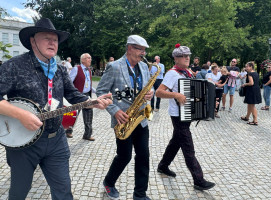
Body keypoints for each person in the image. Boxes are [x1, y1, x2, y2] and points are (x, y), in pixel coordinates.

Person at [0, 18, 112, 200]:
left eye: (55, 39)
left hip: (56, 140)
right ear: (33, 41)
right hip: (23, 143)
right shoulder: (15, 65)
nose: (53, 42)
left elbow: (73, 94)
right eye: (46, 38)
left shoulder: (59, 70)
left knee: (64, 192)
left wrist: (92, 101)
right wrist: (21, 115)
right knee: (19, 193)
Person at [96, 35, 153, 200]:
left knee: (143, 156)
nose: (143, 53)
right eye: (140, 49)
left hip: (141, 119)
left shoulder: (143, 67)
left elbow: (149, 87)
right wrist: (114, 110)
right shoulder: (114, 67)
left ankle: (140, 194)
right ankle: (109, 182)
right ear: (129, 48)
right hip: (123, 120)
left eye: (144, 50)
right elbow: (100, 92)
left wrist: (151, 93)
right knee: (125, 156)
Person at [156, 44, 215, 191]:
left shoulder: (186, 72)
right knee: (188, 147)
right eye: (184, 56)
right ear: (176, 58)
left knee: (176, 141)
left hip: (187, 113)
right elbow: (159, 92)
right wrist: (175, 94)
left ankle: (163, 166)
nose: (188, 58)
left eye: (188, 55)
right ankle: (198, 180)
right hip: (178, 115)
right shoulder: (172, 73)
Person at [69, 53, 96, 141]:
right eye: (88, 58)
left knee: (88, 114)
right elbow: (69, 83)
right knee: (74, 113)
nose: (90, 59)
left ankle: (87, 135)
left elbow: (88, 84)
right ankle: (68, 131)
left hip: (87, 94)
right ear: (83, 60)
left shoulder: (89, 70)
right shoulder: (76, 69)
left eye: (90, 58)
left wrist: (97, 91)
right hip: (77, 95)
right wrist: (73, 93)